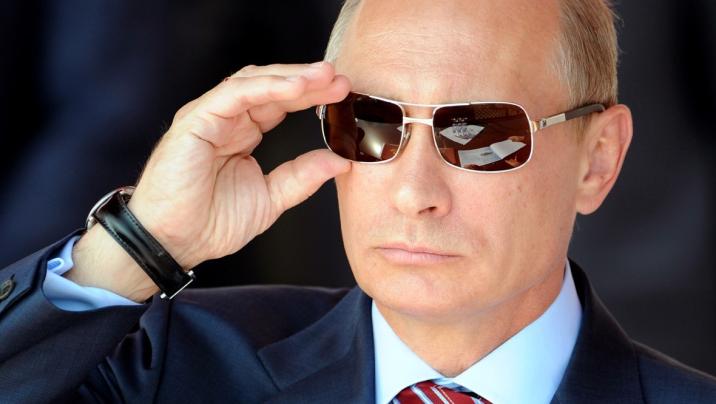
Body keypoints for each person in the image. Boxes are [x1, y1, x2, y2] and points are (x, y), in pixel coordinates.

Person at [0, 0, 714, 402]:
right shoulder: (168, 365)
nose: (413, 191)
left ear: (598, 159)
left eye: (480, 134)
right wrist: (140, 240)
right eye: (369, 123)